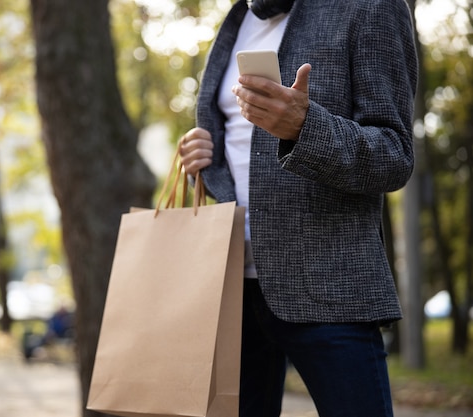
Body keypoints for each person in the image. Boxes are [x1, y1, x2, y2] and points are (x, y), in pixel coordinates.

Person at [178, 0, 418, 416]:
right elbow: (239, 147)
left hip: (329, 286)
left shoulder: (370, 6)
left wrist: (305, 128)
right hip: (231, 283)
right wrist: (202, 158)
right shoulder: (238, 18)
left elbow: (394, 156)